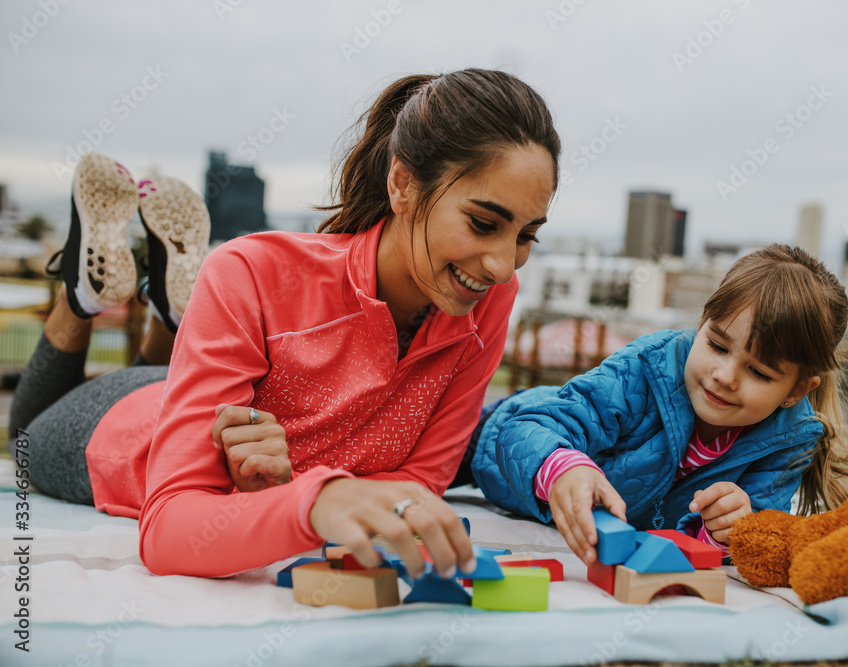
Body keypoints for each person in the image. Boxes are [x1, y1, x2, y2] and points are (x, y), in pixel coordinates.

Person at [8, 68, 561, 581]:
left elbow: (419, 486)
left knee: (186, 387)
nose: (502, 263)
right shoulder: (252, 271)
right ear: (403, 185)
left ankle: (167, 316)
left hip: (200, 397)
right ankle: (81, 301)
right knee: (24, 435)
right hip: (125, 428)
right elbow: (169, 531)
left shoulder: (486, 297)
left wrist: (289, 487)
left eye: (526, 236)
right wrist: (313, 500)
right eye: (483, 222)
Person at [463, 244, 848, 565]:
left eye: (759, 373)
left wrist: (729, 530)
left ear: (796, 391)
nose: (725, 375)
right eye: (717, 345)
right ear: (702, 325)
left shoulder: (790, 440)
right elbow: (527, 429)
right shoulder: (645, 369)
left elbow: (752, 538)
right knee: (410, 479)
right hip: (490, 439)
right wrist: (563, 469)